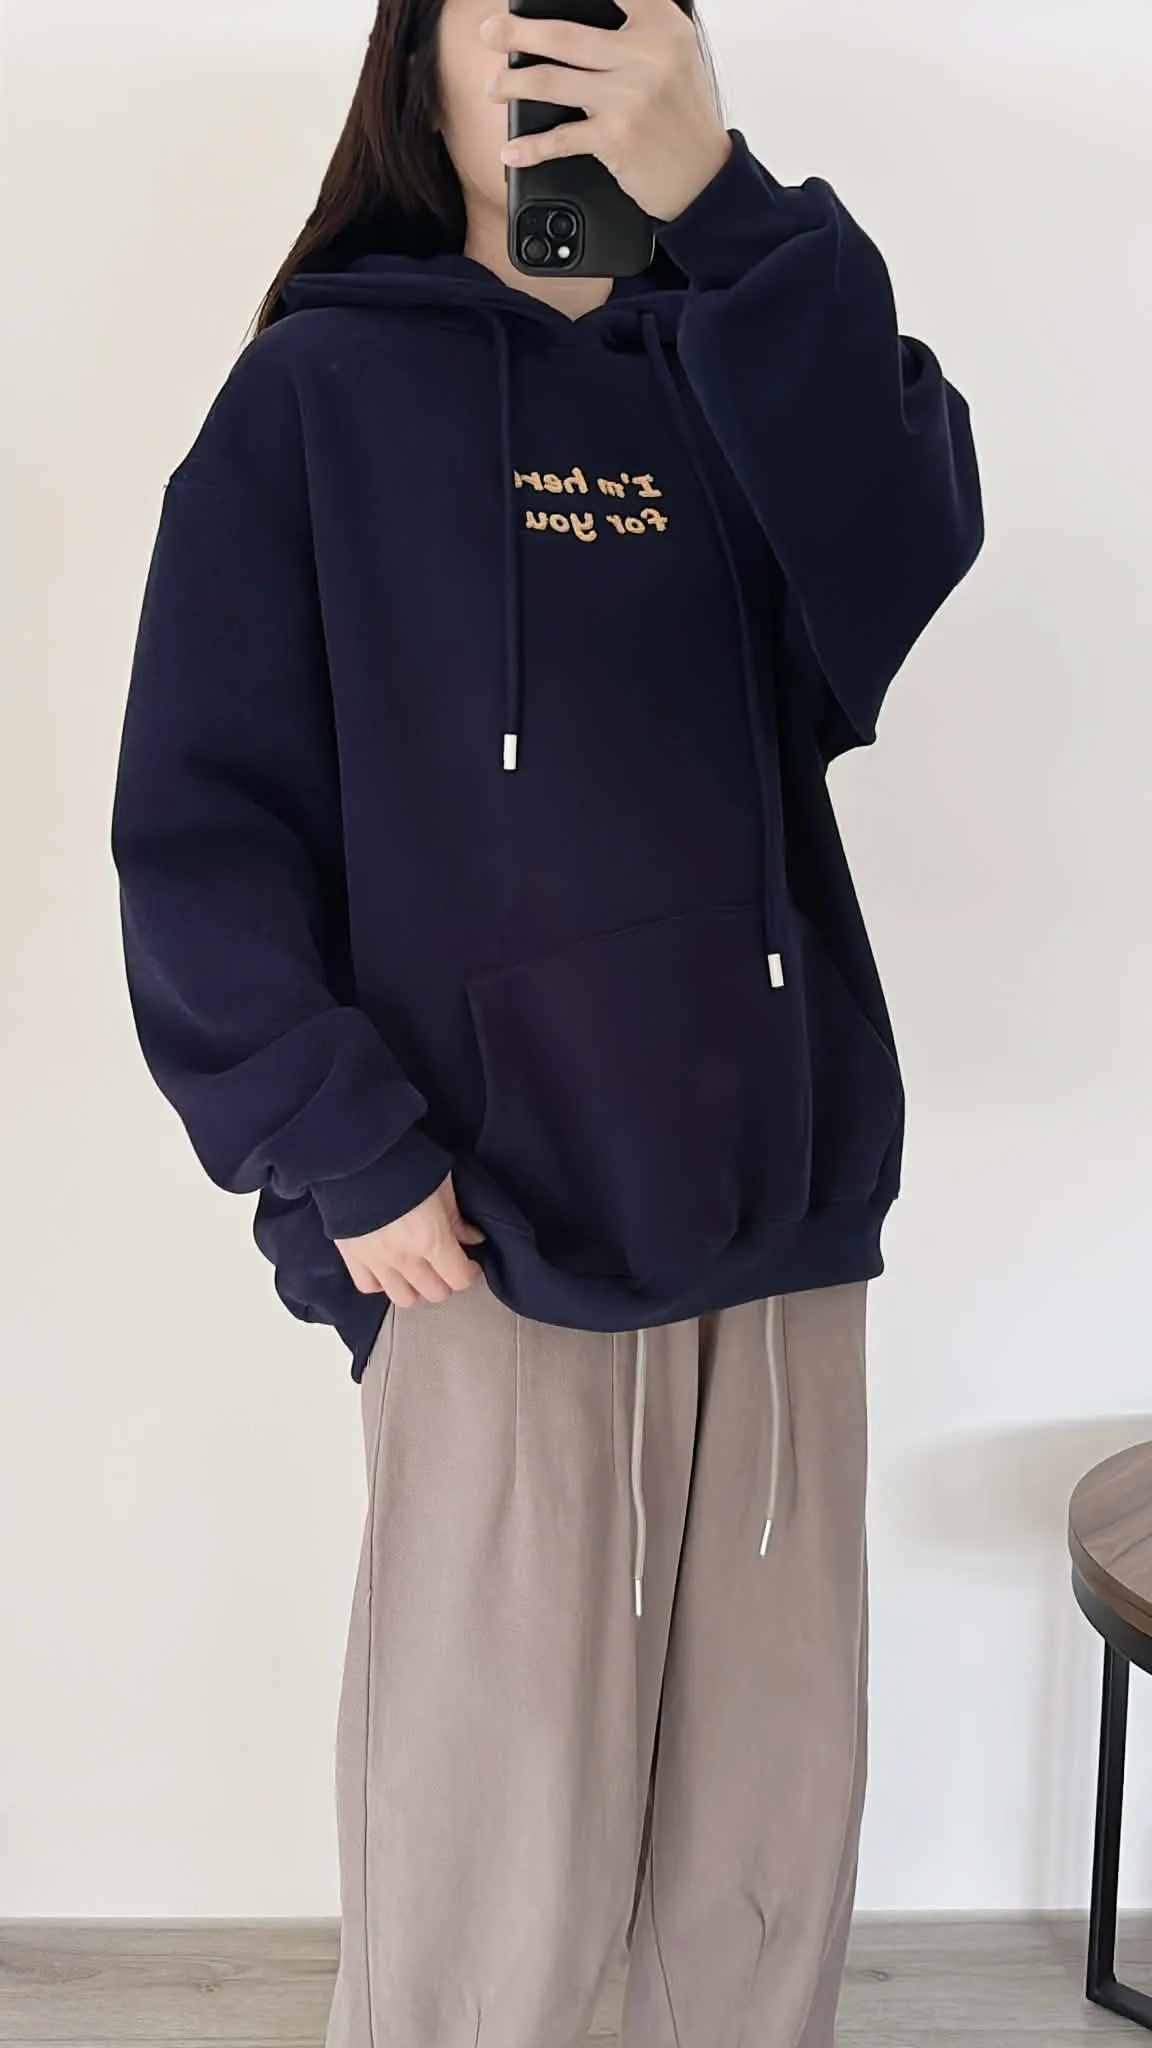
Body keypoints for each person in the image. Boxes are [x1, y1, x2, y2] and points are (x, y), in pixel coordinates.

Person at [109, 0, 983, 2039]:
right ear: (416, 63)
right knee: (488, 1880)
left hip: (776, 1221)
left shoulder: (736, 357)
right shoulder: (316, 395)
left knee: (758, 1865)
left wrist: (732, 212)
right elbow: (203, 824)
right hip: (483, 1234)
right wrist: (339, 1145)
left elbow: (904, 553)